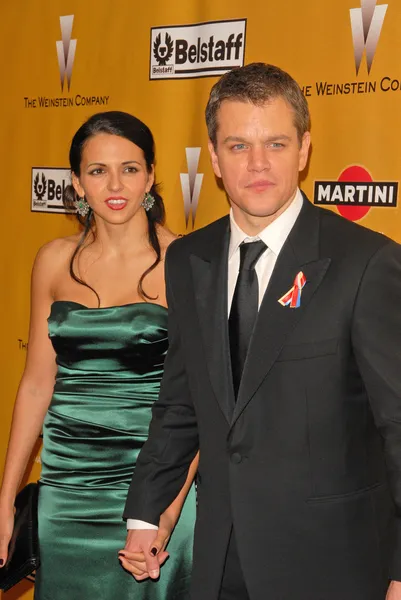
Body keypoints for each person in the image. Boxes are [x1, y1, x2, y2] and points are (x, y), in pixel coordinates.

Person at [122, 63, 401, 600]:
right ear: (213, 158)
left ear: (303, 150)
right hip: (221, 559)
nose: (257, 165)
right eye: (237, 146)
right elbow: (182, 400)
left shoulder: (366, 264)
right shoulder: (187, 259)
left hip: (336, 567)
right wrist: (145, 513)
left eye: (275, 143)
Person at [0, 111, 196, 599]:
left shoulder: (186, 263)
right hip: (66, 484)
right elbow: (35, 384)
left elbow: (199, 401)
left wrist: (166, 510)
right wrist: (5, 501)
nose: (115, 184)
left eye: (129, 169)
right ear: (76, 182)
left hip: (152, 478)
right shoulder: (52, 260)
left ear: (150, 175)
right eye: (97, 170)